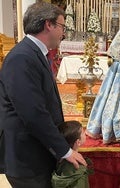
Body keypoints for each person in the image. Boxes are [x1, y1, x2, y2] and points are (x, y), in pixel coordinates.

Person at [0, 2, 86, 188]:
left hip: (38, 153)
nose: (63, 33)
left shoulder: (34, 53)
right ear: (49, 24)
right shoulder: (22, 57)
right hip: (28, 159)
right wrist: (64, 150)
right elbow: (33, 113)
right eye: (62, 26)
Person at [51, 121, 94, 188]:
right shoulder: (77, 167)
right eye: (83, 132)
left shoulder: (61, 158)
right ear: (78, 142)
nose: (85, 132)